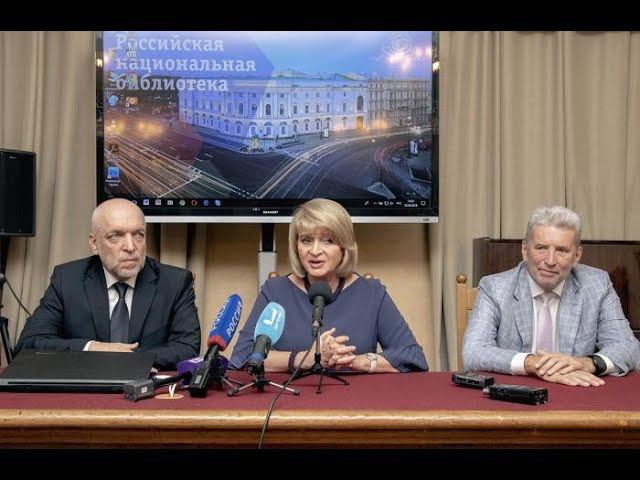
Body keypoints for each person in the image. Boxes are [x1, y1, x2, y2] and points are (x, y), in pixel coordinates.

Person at [230, 198, 428, 373]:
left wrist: (356, 361)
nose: (315, 251)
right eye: (306, 240)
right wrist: (308, 359)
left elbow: (412, 356)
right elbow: (242, 356)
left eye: (328, 241)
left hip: (356, 400)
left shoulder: (371, 292)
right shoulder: (275, 291)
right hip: (291, 400)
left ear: (344, 246)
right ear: (296, 246)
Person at [463, 205, 640, 387]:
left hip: (577, 391)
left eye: (562, 250)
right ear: (525, 250)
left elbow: (629, 348)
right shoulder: (494, 287)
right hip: (518, 393)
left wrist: (585, 363)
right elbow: (474, 352)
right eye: (541, 248)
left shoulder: (597, 285)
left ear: (577, 255)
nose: (550, 261)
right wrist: (534, 364)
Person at [15, 198, 201, 370]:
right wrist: (92, 348)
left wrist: (129, 360)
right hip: (85, 387)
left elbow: (187, 348)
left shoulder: (175, 282)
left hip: (146, 387)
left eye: (138, 235)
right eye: (115, 236)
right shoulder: (68, 279)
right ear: (94, 244)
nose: (130, 247)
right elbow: (29, 343)